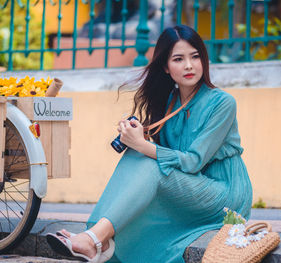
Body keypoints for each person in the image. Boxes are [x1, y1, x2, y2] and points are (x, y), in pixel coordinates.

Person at [46, 24, 253, 263]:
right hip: (193, 186)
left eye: (195, 57)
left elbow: (193, 161)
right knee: (136, 156)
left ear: (203, 60)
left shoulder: (222, 103)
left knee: (147, 160)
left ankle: (93, 239)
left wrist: (143, 145)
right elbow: (163, 156)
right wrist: (138, 139)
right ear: (165, 67)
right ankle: (96, 238)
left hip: (225, 196)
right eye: (178, 59)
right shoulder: (169, 103)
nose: (188, 65)